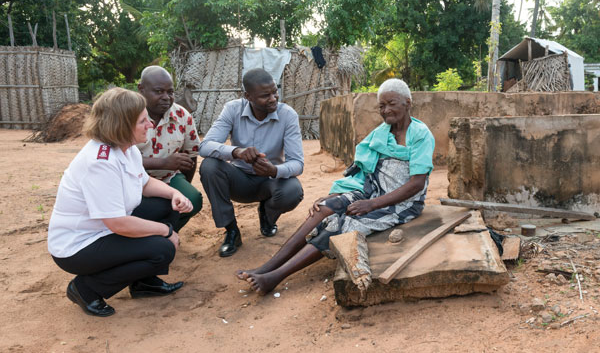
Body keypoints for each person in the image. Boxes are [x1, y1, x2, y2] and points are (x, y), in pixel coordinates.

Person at [237, 78, 435, 294]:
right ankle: (268, 266)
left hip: (401, 204)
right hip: (371, 192)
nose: (386, 110)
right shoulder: (381, 133)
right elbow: (361, 170)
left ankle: (275, 277)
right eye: (381, 106)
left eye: (391, 104)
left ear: (407, 103)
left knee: (341, 224)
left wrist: (372, 205)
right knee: (324, 208)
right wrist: (336, 196)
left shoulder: (420, 134)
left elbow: (417, 184)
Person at [48, 88, 193, 317]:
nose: (150, 125)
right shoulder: (100, 162)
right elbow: (119, 224)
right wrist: (165, 231)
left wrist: (174, 194)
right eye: (143, 121)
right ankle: (86, 289)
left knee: (168, 206)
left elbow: (144, 183)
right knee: (162, 250)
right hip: (79, 245)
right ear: (122, 125)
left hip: (103, 229)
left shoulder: (127, 149)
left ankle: (142, 282)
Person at [199, 68, 304, 257]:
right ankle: (231, 231)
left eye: (275, 91)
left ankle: (267, 214)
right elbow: (205, 146)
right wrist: (236, 152)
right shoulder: (233, 109)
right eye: (265, 95)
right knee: (209, 166)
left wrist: (274, 170)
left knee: (293, 191)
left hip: (270, 182)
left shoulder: (288, 115)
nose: (273, 98)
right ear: (248, 96)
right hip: (239, 180)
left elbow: (297, 163)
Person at [137, 66, 202, 231]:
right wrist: (163, 162)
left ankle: (168, 232)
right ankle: (145, 234)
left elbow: (191, 156)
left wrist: (182, 187)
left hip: (169, 178)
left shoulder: (182, 116)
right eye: (158, 91)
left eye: (170, 92)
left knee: (192, 200)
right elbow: (119, 159)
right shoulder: (128, 115)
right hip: (133, 180)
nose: (166, 97)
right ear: (141, 89)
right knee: (140, 209)